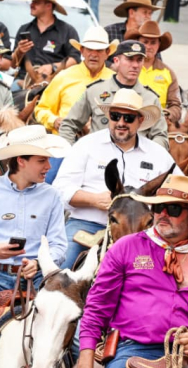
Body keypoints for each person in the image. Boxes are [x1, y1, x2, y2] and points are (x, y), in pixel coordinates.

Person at [76, 175, 188, 368]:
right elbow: (96, 309)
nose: (163, 214)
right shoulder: (125, 247)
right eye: (158, 208)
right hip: (134, 350)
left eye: (173, 209)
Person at [53, 88, 179, 270]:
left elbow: (180, 187)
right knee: (60, 268)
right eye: (115, 116)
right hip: (87, 226)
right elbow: (59, 190)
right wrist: (93, 200)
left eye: (128, 118)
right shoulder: (86, 145)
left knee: (171, 272)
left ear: (140, 120)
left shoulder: (158, 154)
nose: (121, 122)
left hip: (142, 233)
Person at [0, 124, 68, 319]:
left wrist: (37, 263)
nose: (49, 167)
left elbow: (59, 245)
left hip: (37, 277)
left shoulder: (52, 196)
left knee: (70, 328)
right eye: (42, 160)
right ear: (21, 161)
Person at [59, 40, 168, 149]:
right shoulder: (95, 91)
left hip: (134, 160)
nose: (135, 65)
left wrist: (146, 156)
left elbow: (161, 136)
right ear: (116, 61)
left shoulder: (151, 98)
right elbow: (69, 125)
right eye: (129, 59)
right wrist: (71, 153)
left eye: (139, 60)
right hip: (98, 159)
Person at [35, 26, 117, 135]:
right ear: (82, 51)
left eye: (99, 50)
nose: (93, 54)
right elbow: (41, 109)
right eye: (89, 49)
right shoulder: (64, 77)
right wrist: (54, 121)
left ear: (107, 53)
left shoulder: (115, 80)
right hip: (66, 141)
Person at [12, 0, 80, 84]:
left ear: (48, 5)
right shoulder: (24, 29)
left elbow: (74, 60)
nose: (32, 4)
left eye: (37, 2)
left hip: (54, 82)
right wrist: (19, 51)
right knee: (9, 95)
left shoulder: (67, 31)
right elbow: (13, 65)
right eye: (32, 1)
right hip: (24, 81)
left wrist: (53, 67)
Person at [127, 21, 181, 124]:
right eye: (145, 42)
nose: (149, 46)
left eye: (153, 43)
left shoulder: (168, 73)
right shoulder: (126, 68)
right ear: (138, 43)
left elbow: (176, 105)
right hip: (129, 121)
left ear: (159, 45)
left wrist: (169, 114)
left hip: (157, 124)